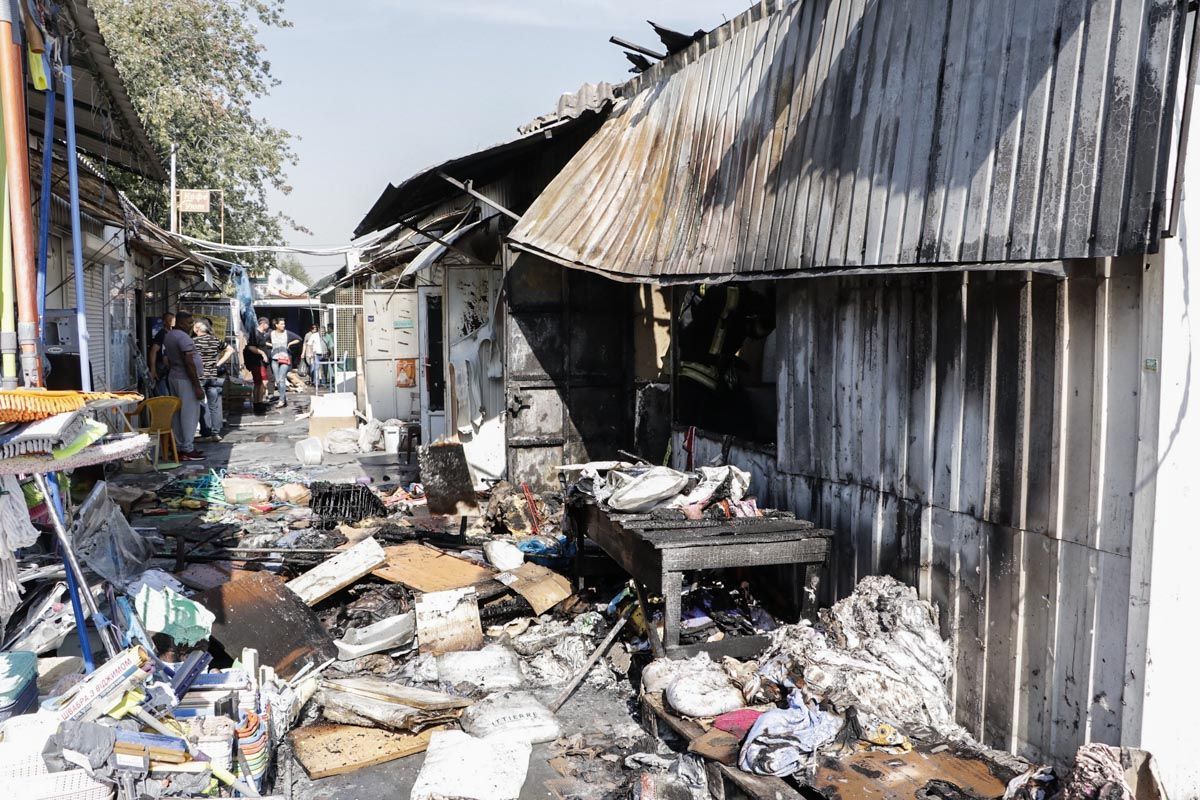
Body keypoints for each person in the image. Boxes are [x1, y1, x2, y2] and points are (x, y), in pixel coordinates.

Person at [162, 310, 205, 461]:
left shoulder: (170, 335)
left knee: (178, 414)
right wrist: (197, 386)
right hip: (185, 379)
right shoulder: (182, 337)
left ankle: (180, 447)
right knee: (189, 414)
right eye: (189, 322)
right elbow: (189, 362)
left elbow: (168, 359)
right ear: (180, 322)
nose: (191, 325)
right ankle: (187, 448)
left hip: (175, 376)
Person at [193, 318, 234, 441]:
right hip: (212, 376)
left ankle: (206, 432)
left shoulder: (193, 342)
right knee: (214, 405)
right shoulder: (214, 340)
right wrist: (218, 364)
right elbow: (230, 350)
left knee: (201, 404)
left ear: (197, 329)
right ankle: (215, 433)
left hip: (199, 376)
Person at [266, 317, 302, 408]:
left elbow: (299, 338)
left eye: (284, 324)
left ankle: (281, 400)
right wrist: (272, 345)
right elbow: (263, 340)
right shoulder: (271, 333)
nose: (283, 325)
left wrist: (289, 344)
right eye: (281, 324)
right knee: (277, 380)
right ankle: (283, 398)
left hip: (285, 359)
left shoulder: (287, 333)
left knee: (282, 379)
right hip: (274, 359)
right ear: (276, 325)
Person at [242, 317, 271, 406]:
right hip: (256, 362)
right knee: (260, 382)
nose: (268, 326)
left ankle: (259, 401)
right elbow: (251, 347)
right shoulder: (255, 333)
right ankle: (257, 402)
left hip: (261, 363)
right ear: (263, 324)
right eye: (268, 324)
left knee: (261, 382)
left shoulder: (261, 334)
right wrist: (262, 353)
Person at [147, 312, 174, 397]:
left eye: (173, 320)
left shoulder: (173, 334)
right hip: (162, 366)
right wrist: (153, 369)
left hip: (170, 368)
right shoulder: (161, 334)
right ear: (165, 322)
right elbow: (153, 351)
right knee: (163, 393)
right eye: (170, 320)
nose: (172, 322)